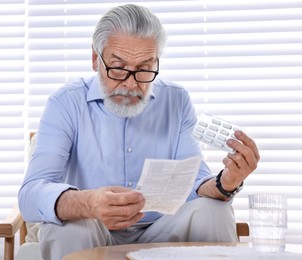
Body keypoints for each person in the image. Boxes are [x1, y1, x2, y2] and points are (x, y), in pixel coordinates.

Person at [18, 4, 260, 260]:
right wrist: (89, 202)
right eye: (119, 68)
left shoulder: (176, 100)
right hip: (93, 226)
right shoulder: (65, 103)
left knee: (215, 211)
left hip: (162, 228)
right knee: (68, 228)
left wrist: (226, 184)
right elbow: (31, 194)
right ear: (95, 59)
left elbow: (195, 186)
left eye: (144, 69)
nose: (131, 84)